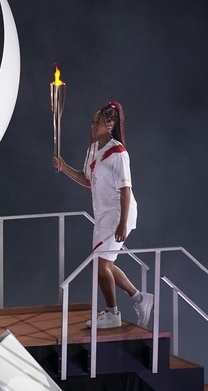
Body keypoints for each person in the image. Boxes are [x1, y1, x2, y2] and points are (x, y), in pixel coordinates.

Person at [52, 101, 153, 329]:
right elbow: (87, 180)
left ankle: (112, 313)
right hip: (103, 215)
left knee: (100, 265)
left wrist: (122, 224)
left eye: (96, 122)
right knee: (102, 264)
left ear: (109, 125)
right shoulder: (92, 149)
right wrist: (64, 166)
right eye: (92, 122)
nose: (92, 126)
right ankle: (139, 298)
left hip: (118, 215)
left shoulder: (118, 153)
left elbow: (126, 189)